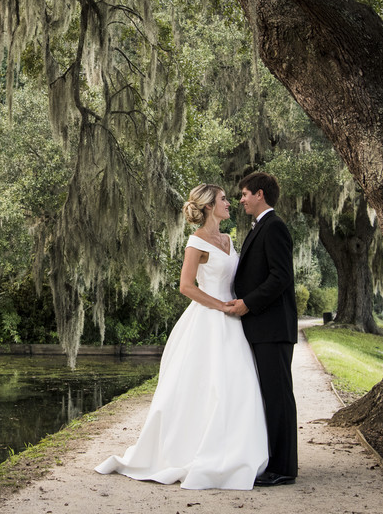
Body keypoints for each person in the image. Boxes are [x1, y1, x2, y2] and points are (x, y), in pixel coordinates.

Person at [95, 184, 269, 490]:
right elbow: (186, 286)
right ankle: (192, 450)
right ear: (209, 206)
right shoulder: (196, 242)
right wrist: (220, 306)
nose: (229, 203)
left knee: (238, 384)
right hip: (208, 320)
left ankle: (238, 450)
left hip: (233, 322)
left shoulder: (228, 239)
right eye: (223, 199)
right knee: (204, 385)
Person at [226, 172, 298, 486]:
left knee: (278, 396)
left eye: (243, 194)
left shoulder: (275, 226)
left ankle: (283, 468)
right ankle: (272, 460)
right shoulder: (261, 227)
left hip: (273, 328)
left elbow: (280, 277)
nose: (240, 200)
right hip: (261, 328)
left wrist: (248, 304)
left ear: (259, 194)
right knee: (268, 396)